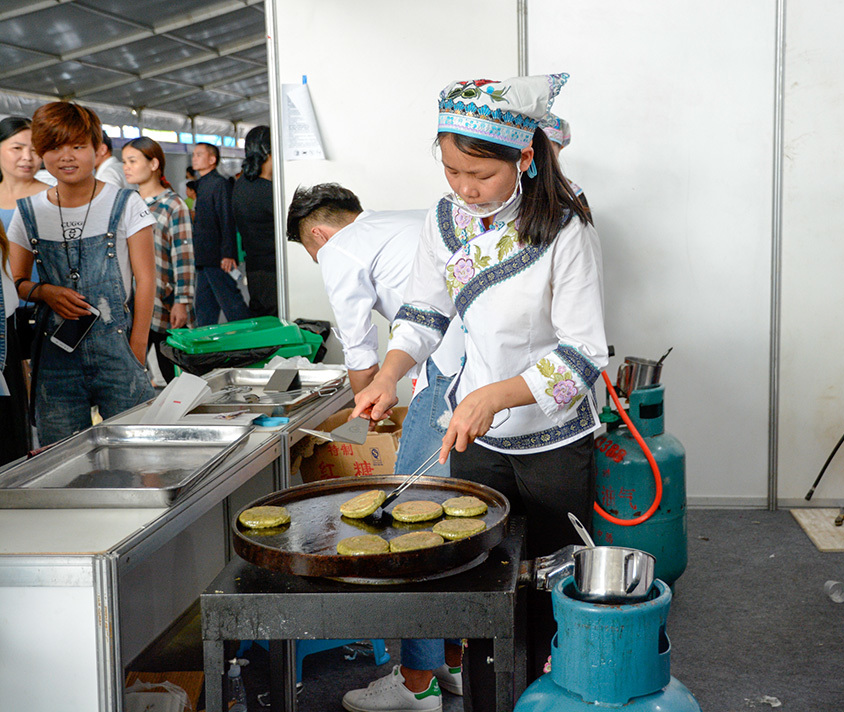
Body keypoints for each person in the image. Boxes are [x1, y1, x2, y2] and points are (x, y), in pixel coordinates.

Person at [348, 73, 605, 712]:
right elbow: (425, 311)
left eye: (481, 175)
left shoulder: (565, 231)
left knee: (552, 576)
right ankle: (477, 687)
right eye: (452, 171)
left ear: (523, 158)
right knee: (480, 573)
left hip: (554, 436)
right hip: (477, 432)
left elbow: (584, 356)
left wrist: (498, 394)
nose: (465, 188)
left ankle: (554, 688)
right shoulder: (445, 221)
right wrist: (388, 372)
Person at [286, 182, 466, 476]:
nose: (320, 260)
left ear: (319, 234)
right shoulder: (407, 219)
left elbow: (360, 354)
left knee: (414, 483)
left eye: (313, 253)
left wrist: (364, 418)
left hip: (449, 356)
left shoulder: (337, 248)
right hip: (483, 349)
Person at [8, 102, 156, 445]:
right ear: (42, 153)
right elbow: (15, 283)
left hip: (119, 349)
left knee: (136, 448)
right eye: (55, 147)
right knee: (62, 458)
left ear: (98, 150)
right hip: (55, 359)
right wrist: (44, 292)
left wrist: (136, 347)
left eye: (77, 146)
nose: (66, 156)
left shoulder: (126, 203)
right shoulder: (29, 212)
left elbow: (145, 280)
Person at [121, 137, 194, 383]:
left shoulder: (173, 205)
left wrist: (182, 301)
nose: (126, 167)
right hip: (132, 302)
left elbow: (183, 256)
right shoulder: (127, 203)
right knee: (132, 373)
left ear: (153, 164)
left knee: (173, 375)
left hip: (164, 304)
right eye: (124, 162)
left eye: (132, 161)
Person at [0, 116, 48, 464]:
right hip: (5, 316)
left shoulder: (49, 194)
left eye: (34, 149)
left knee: (35, 403)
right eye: (17, 147)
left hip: (41, 312)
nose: (26, 157)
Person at [190, 142, 249, 325]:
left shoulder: (219, 184)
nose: (194, 157)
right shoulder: (202, 185)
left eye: (199, 154)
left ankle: (251, 342)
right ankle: (205, 346)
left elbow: (227, 219)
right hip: (204, 257)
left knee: (232, 305)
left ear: (212, 159)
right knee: (204, 307)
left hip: (218, 257)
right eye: (194, 154)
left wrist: (228, 254)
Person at [232, 125, 277, 317]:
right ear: (269, 152)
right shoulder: (268, 191)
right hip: (273, 272)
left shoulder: (241, 186)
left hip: (255, 270)